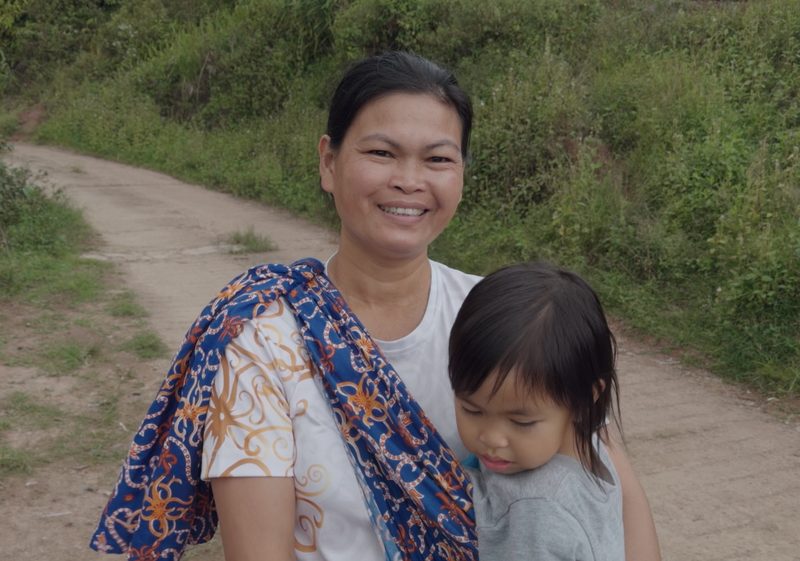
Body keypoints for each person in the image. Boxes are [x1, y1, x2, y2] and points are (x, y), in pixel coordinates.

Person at [89, 51, 660, 561]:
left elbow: (612, 491)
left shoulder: (504, 317)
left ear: (461, 173)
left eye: (438, 159)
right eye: (382, 152)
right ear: (329, 162)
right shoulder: (263, 343)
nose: (409, 181)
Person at [449, 261, 624, 560]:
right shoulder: (591, 451)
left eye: (522, 422)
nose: (491, 438)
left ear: (584, 400)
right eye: (472, 410)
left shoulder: (538, 510)